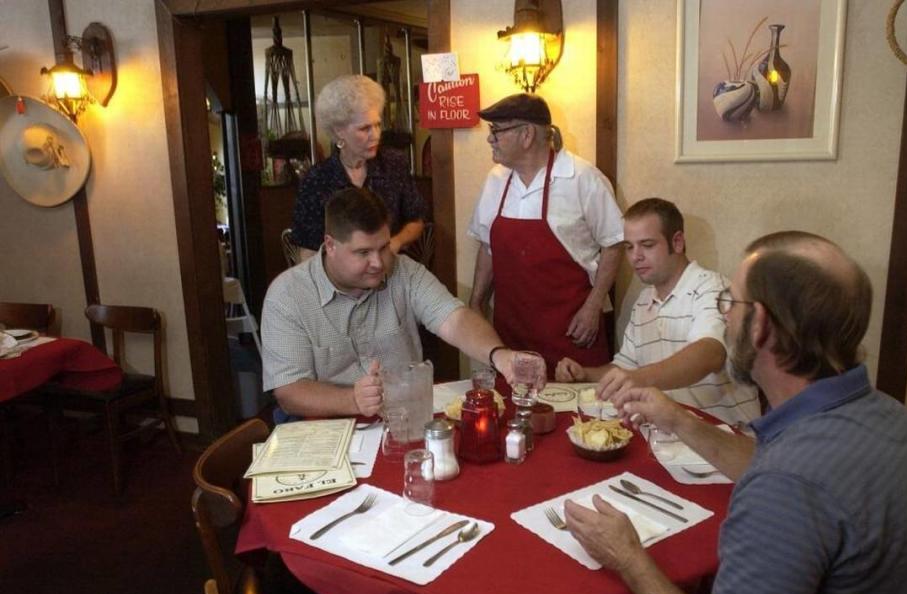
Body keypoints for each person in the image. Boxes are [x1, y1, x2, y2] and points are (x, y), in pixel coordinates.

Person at [564, 231, 907, 594]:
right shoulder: (891, 415)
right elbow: (776, 465)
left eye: (730, 304)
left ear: (761, 325)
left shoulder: (786, 484)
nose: (724, 316)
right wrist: (678, 419)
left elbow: (787, 480)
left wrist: (629, 557)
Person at [263, 187, 541, 419]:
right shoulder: (287, 295)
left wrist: (499, 355)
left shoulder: (404, 271)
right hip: (324, 430)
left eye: (383, 247)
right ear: (331, 245)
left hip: (402, 420)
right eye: (363, 252)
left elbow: (454, 319)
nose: (378, 263)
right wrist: (353, 400)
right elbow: (289, 392)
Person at [556, 198, 759, 426]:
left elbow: (710, 354)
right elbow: (624, 367)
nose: (635, 257)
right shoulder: (644, 301)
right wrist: (585, 375)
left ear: (678, 242)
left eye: (647, 245)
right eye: (629, 247)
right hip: (671, 438)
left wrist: (637, 378)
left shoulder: (712, 288)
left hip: (724, 436)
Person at [467, 93, 623, 378]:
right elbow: (487, 246)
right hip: (512, 337)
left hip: (570, 335)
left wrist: (594, 306)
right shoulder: (496, 180)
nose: (490, 139)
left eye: (497, 131)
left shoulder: (581, 177)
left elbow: (614, 243)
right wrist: (475, 303)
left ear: (526, 135)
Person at [291, 74, 425, 261]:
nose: (375, 135)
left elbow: (416, 221)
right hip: (340, 281)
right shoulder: (317, 179)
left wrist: (394, 244)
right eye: (364, 129)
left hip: (390, 270)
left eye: (377, 125)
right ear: (339, 131)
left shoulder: (394, 164)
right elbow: (307, 248)